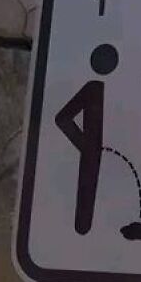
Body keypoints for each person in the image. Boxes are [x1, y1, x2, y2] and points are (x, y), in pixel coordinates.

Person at [54, 43, 119, 235]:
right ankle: (82, 229)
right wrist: (85, 145)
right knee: (87, 197)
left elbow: (62, 119)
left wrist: (85, 146)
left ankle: (84, 230)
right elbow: (62, 119)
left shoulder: (106, 89)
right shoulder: (93, 88)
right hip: (92, 155)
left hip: (100, 155)